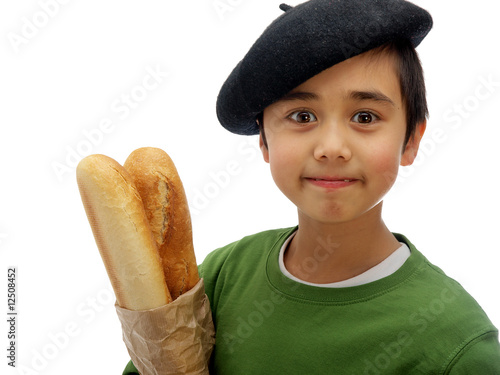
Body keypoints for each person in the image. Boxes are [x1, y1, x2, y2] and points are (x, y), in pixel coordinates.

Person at [124, 0, 500, 373]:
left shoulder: (457, 347)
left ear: (411, 140)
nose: (331, 148)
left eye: (365, 117)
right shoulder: (224, 276)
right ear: (263, 140)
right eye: (302, 116)